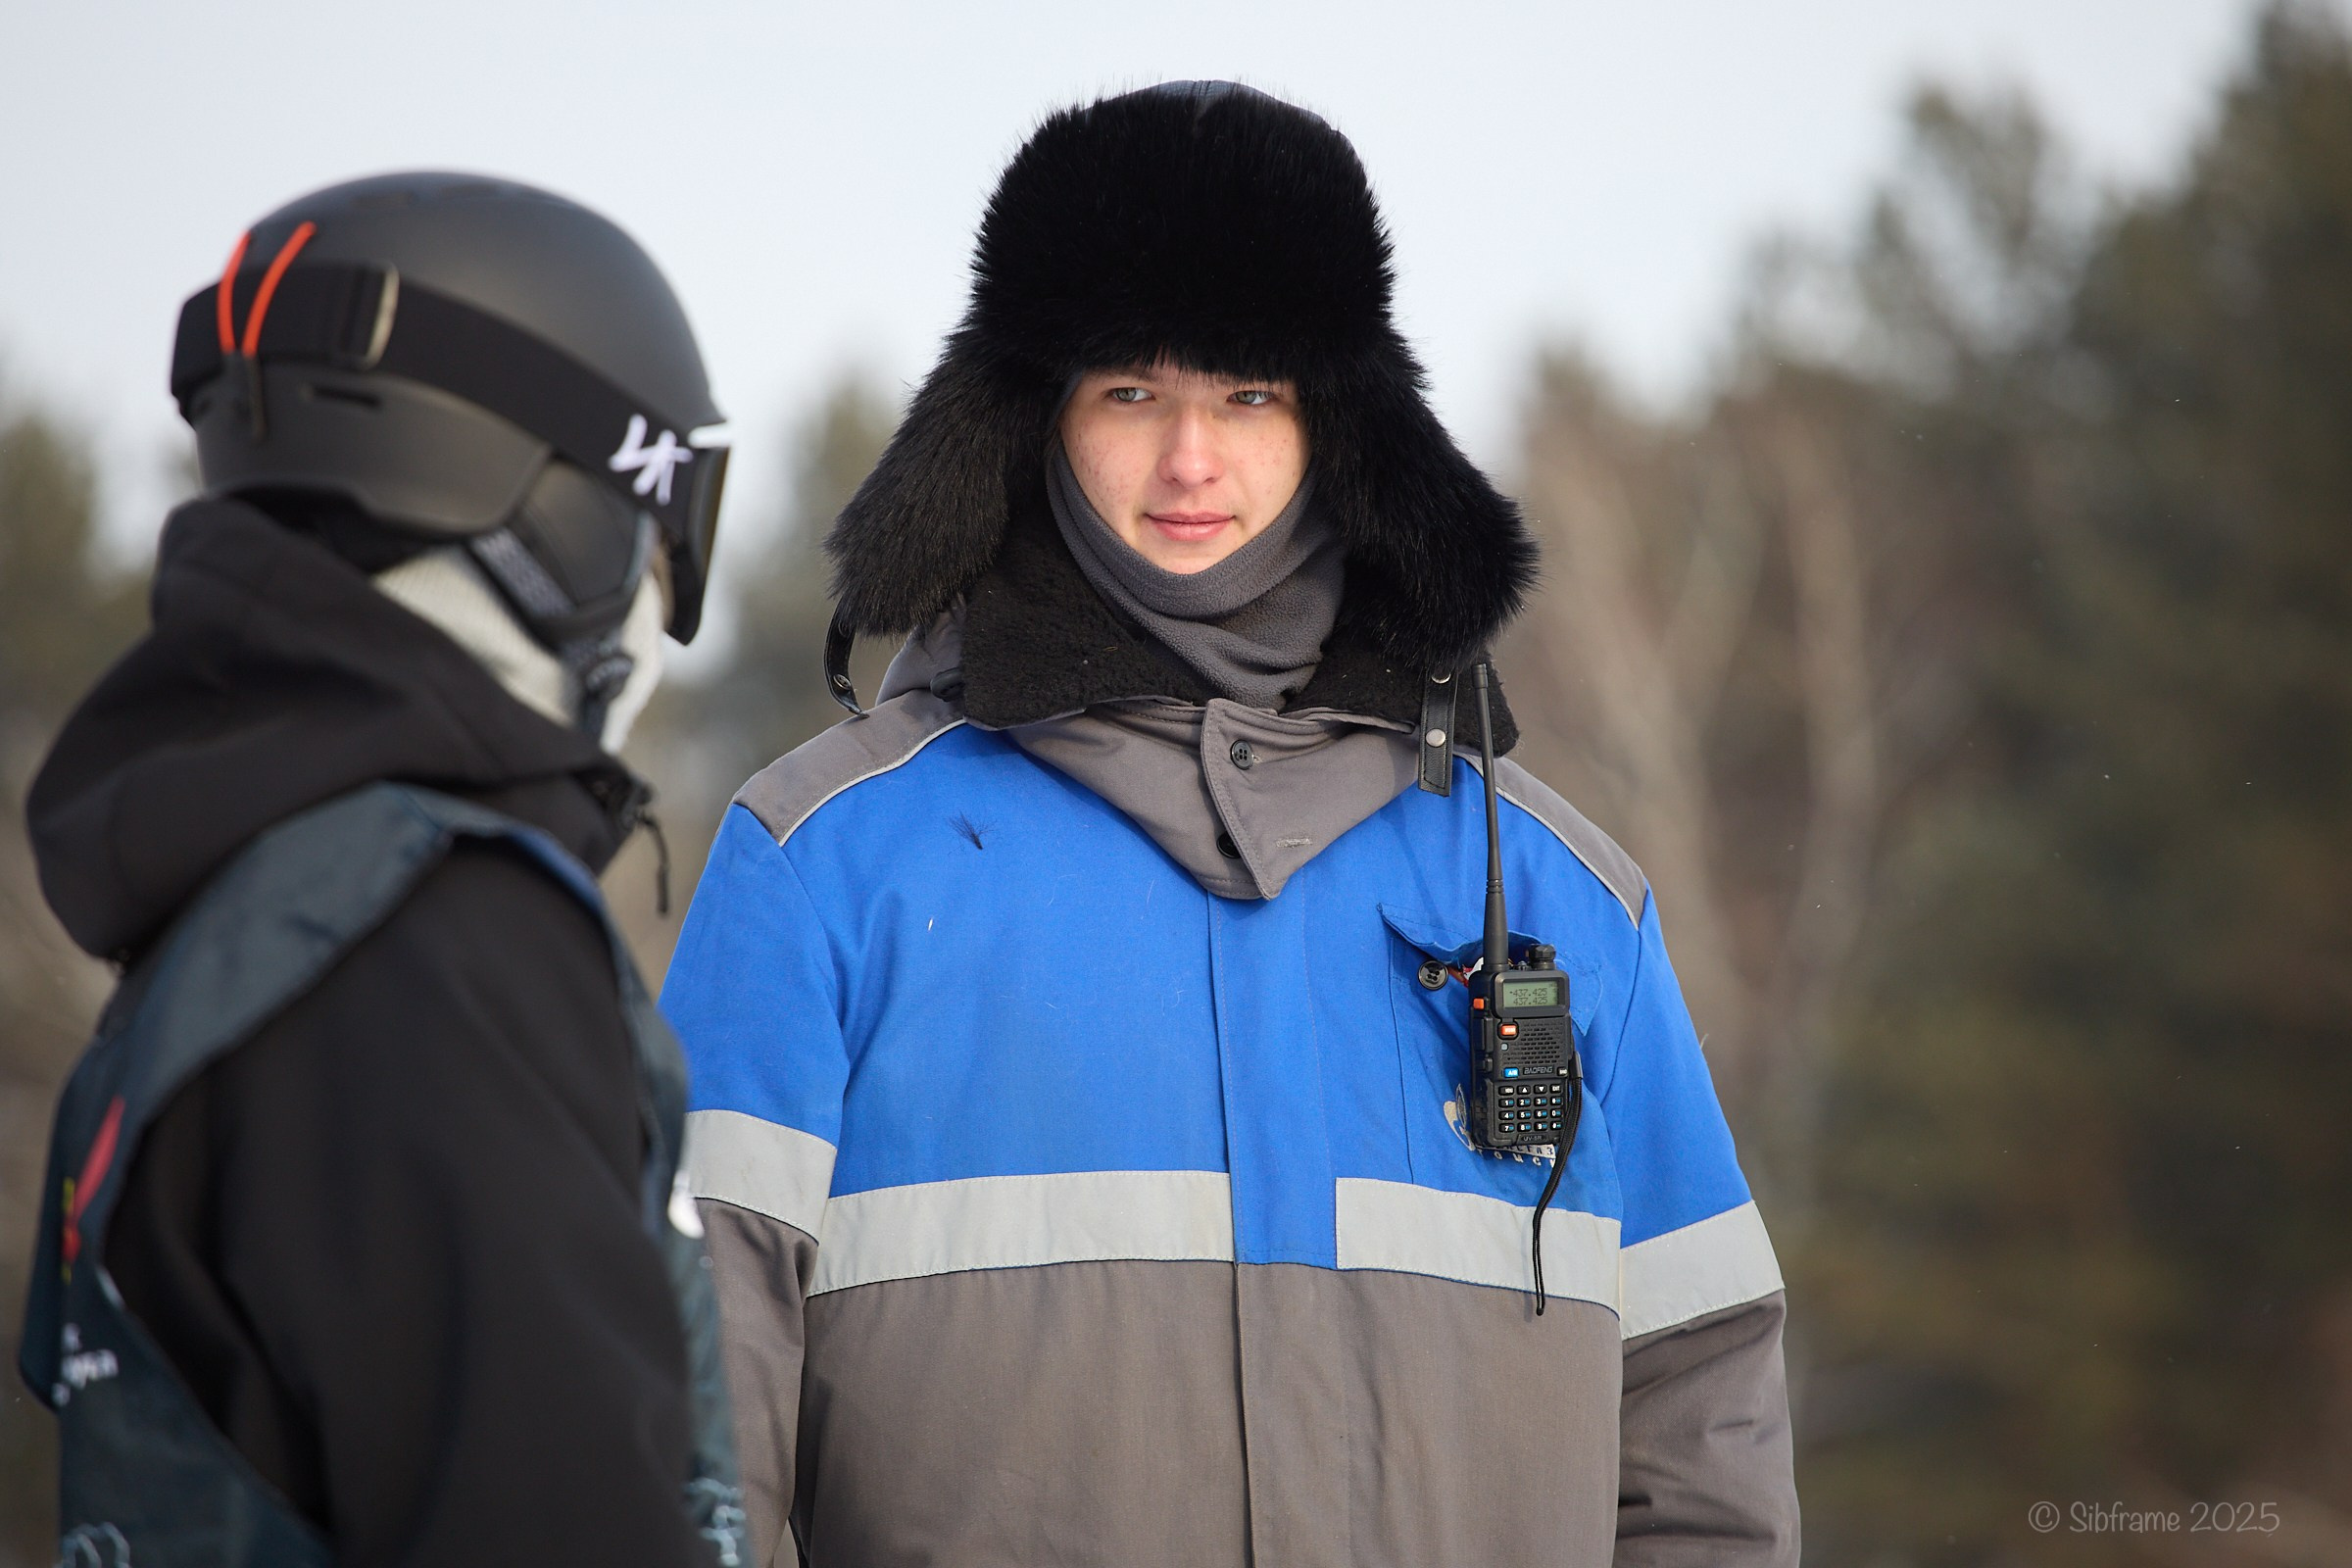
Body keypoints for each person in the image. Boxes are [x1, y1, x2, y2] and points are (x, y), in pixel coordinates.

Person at [663, 82, 1797, 1567]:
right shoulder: (823, 873)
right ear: (1036, 419)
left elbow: (1705, 1447)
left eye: (1250, 394)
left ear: (1339, 425)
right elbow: (679, 1449)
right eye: (1132, 393)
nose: (1192, 460)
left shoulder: (1567, 902)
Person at [21, 172, 743, 1568]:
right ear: (568, 529)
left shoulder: (237, 911)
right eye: (662, 545)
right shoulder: (435, 946)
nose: (658, 626)